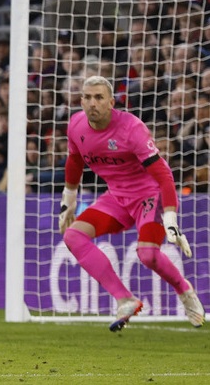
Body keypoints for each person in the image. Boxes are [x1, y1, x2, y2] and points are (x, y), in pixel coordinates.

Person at [59, 76, 205, 332]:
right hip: (116, 197)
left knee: (147, 254)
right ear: (81, 100)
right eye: (87, 97)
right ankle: (124, 299)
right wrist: (68, 200)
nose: (92, 103)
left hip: (150, 196)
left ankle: (184, 290)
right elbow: (74, 161)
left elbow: (163, 173)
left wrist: (170, 217)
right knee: (73, 236)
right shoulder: (76, 125)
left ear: (111, 102)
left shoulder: (130, 128)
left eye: (99, 97)